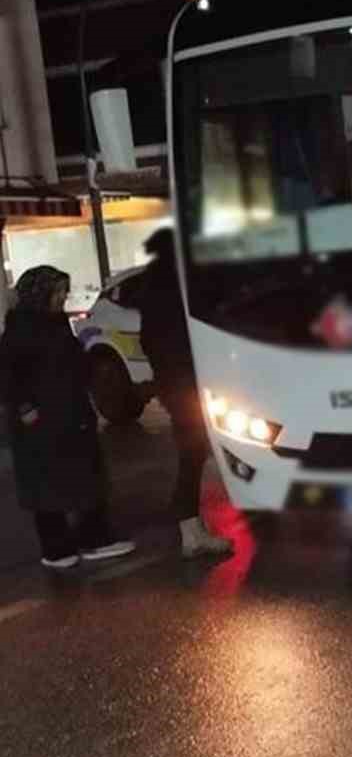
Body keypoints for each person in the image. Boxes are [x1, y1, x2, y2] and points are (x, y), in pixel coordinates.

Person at [0, 265, 135, 570]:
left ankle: (86, 539)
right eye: (57, 292)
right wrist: (28, 413)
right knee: (49, 484)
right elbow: (11, 379)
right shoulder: (22, 331)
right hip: (44, 425)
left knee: (81, 477)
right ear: (40, 295)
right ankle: (65, 546)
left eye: (63, 291)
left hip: (69, 416)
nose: (63, 297)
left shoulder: (53, 324)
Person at [121, 228, 232, 558]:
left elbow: (149, 339)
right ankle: (189, 529)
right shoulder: (177, 286)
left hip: (177, 384)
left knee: (198, 452)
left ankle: (189, 525)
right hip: (189, 385)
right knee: (196, 453)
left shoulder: (156, 284)